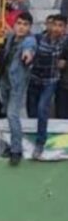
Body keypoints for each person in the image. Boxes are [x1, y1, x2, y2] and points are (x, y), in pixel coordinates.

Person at [26, 15, 67, 159]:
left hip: (51, 81)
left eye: (60, 26)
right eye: (55, 25)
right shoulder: (38, 39)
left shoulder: (65, 42)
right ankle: (29, 143)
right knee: (32, 112)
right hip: (34, 80)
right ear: (49, 25)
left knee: (42, 108)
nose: (57, 28)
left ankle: (40, 143)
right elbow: (28, 45)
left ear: (65, 28)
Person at [0, 13, 36, 165]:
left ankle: (16, 150)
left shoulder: (29, 40)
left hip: (17, 83)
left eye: (25, 25)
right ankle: (9, 145)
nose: (21, 27)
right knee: (6, 113)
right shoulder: (11, 37)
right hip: (5, 81)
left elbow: (29, 49)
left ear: (30, 27)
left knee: (12, 115)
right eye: (19, 23)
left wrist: (28, 55)